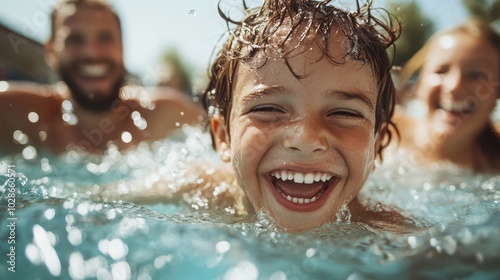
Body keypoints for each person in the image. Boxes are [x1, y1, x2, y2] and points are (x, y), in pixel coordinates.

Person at [95, 0, 412, 233]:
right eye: (268, 109)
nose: (305, 140)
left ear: (377, 144)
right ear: (223, 137)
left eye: (343, 113)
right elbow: (87, 204)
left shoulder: (390, 234)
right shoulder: (195, 188)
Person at [0, 0, 204, 155]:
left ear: (122, 49)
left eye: (105, 38)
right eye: (74, 39)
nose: (92, 53)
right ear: (51, 51)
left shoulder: (167, 116)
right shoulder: (14, 113)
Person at [393, 19, 500, 173]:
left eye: (476, 75)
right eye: (441, 71)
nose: (454, 86)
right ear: (420, 83)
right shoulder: (382, 135)